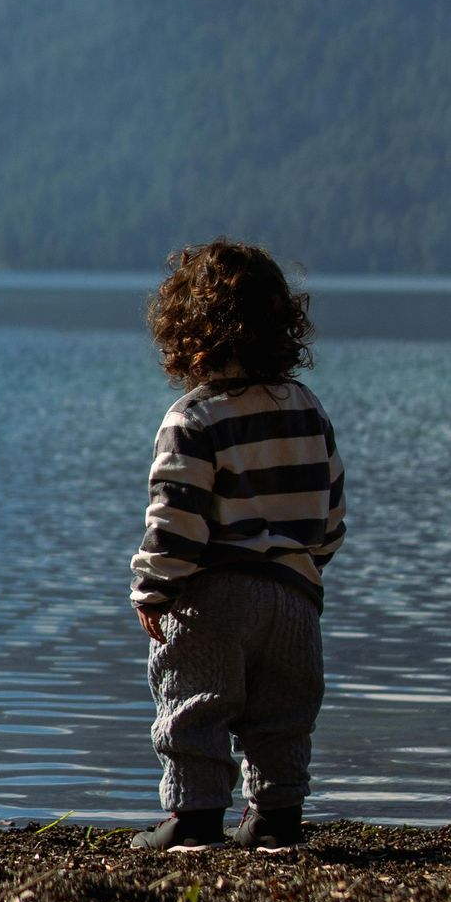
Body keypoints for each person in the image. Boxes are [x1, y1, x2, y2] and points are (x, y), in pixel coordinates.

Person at [127, 240, 345, 853]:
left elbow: (176, 518)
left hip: (213, 597)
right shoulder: (308, 411)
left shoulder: (193, 419)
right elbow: (331, 511)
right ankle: (276, 817)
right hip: (295, 600)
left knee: (195, 702)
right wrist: (303, 567)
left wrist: (154, 586)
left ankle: (195, 818)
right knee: (282, 713)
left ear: (186, 336)